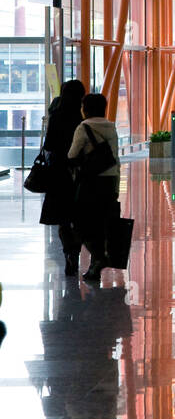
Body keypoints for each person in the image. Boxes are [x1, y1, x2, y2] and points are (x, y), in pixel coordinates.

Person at [68, 92, 121, 284]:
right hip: (110, 180)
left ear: (86, 109)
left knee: (81, 223)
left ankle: (99, 257)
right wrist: (116, 184)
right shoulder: (112, 127)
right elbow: (116, 159)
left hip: (91, 182)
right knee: (102, 223)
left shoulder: (83, 127)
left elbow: (72, 155)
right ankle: (95, 266)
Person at [40, 78, 86, 276]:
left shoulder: (56, 116)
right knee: (79, 216)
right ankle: (75, 249)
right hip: (79, 174)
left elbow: (48, 145)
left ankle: (69, 252)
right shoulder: (82, 119)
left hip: (58, 173)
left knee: (62, 219)